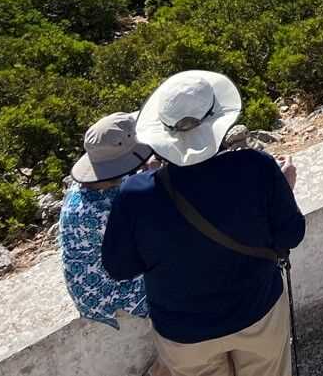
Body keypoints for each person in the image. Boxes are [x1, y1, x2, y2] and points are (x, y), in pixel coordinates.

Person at [102, 71, 305, 376]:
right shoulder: (257, 167)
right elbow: (291, 235)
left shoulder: (136, 194)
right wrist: (285, 190)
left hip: (184, 331)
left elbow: (119, 268)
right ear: (219, 121)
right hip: (257, 310)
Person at [60, 113, 171, 376]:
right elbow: (157, 238)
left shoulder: (85, 190)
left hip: (88, 281)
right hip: (108, 290)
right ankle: (173, 361)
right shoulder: (110, 209)